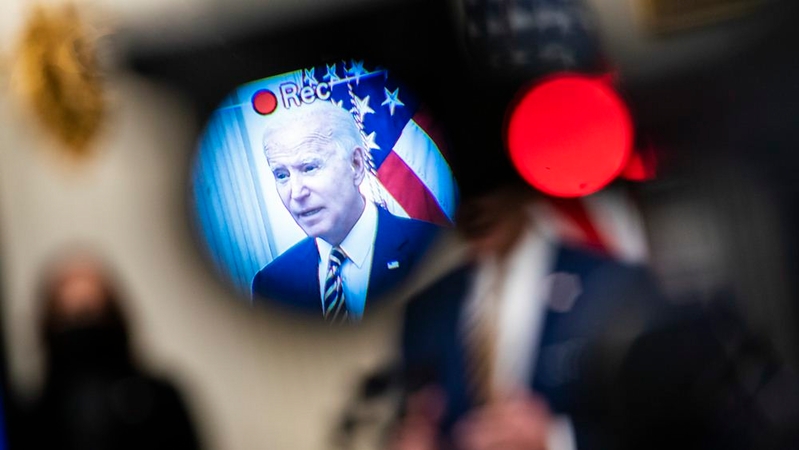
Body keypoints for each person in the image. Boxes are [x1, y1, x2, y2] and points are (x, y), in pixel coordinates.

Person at [391, 184, 797, 450]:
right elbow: (417, 416)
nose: (476, 201)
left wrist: (555, 440)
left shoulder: (614, 284)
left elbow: (682, 429)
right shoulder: (425, 310)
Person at [251, 100, 440, 321]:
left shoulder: (433, 246)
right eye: (282, 175)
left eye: (310, 168)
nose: (296, 192)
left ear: (357, 165)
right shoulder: (271, 285)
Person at [17, 252, 200, 450]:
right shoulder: (33, 419)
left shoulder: (161, 402)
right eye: (68, 317)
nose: (82, 327)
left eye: (91, 312)